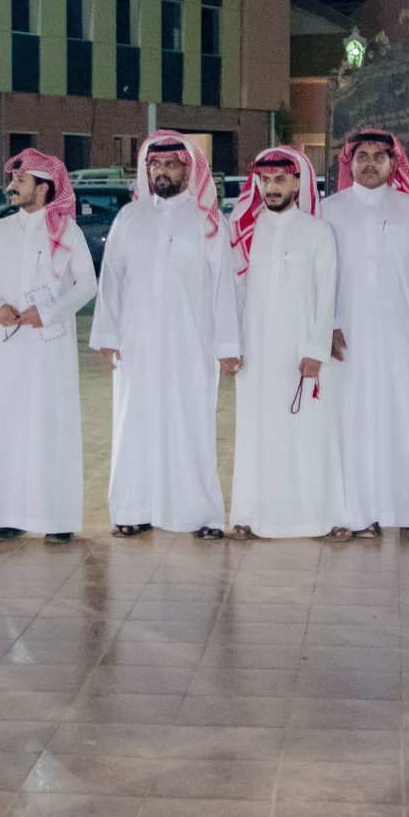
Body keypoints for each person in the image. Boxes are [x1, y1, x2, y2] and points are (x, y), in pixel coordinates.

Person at [92, 133, 235, 539]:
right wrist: (108, 335)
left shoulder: (209, 222)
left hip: (192, 343)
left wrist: (227, 345)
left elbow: (225, 286)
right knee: (134, 425)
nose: (162, 171)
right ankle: (133, 510)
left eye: (171, 164)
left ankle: (201, 515)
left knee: (192, 426)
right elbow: (111, 280)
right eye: (155, 165)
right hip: (137, 342)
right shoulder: (129, 218)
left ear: (189, 170)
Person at [0, 147, 97, 543]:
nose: (12, 186)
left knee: (49, 423)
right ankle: (5, 515)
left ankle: (55, 518)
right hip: (8, 345)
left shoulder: (67, 231)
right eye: (14, 179)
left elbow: (87, 285)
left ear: (43, 187)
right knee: (5, 424)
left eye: (21, 180)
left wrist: (50, 312)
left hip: (49, 346)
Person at [322, 128, 409, 541]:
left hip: (403, 334)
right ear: (350, 162)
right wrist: (325, 325)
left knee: (406, 419)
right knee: (352, 423)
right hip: (346, 337)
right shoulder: (330, 210)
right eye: (362, 156)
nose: (370, 163)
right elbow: (319, 276)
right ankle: (358, 514)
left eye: (379, 156)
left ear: (393, 164)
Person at [227, 146, 340, 539]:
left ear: (297, 183)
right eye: (265, 179)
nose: (271, 187)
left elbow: (326, 296)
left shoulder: (317, 232)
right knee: (255, 433)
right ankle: (251, 515)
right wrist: (232, 345)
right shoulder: (245, 231)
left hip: (300, 352)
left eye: (280, 179)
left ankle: (308, 517)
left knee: (303, 435)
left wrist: (315, 351)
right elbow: (234, 293)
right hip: (256, 352)